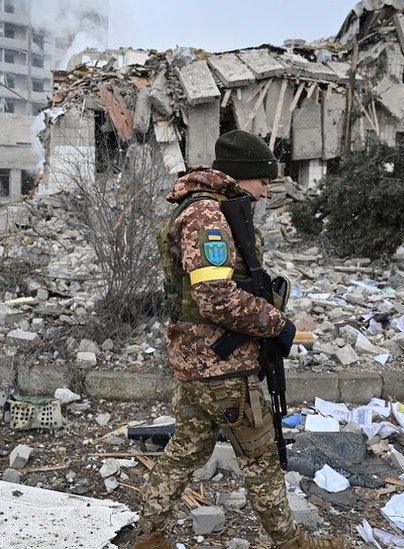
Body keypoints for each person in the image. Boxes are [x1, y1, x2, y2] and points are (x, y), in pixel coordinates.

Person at [137, 130, 348, 549]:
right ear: (241, 175)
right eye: (263, 181)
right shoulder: (207, 217)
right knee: (261, 459)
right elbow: (215, 297)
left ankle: (148, 536)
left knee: (186, 451)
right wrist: (277, 324)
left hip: (202, 362)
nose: (266, 192)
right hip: (221, 367)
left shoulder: (209, 210)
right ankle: (292, 543)